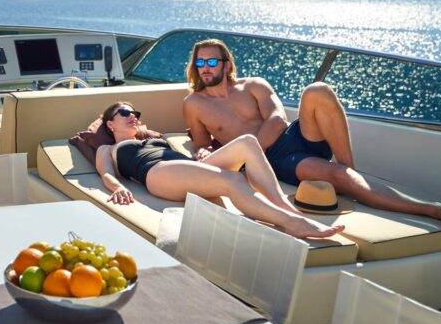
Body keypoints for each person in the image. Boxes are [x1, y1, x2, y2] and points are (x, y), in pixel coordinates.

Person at [182, 38, 441, 227]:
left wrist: (248, 143)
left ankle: (350, 169)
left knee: (318, 91)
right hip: (273, 160)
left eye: (211, 62)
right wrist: (205, 151)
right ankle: (432, 209)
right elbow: (203, 146)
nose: (205, 69)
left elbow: (278, 120)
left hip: (292, 136)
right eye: (200, 63)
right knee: (339, 177)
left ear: (226, 64)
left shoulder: (253, 85)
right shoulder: (194, 104)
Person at [95, 101, 345, 239]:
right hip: (157, 173)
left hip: (185, 167)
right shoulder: (107, 148)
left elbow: (182, 160)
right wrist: (117, 188)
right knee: (233, 179)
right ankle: (290, 223)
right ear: (110, 123)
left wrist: (199, 155)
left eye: (135, 112)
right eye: (125, 112)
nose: (133, 116)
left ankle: (287, 209)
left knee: (249, 142)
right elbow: (106, 173)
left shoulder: (155, 138)